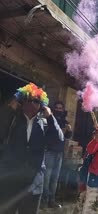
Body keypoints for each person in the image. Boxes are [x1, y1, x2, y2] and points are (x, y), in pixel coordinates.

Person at [0, 83, 64, 214]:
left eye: (36, 101)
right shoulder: (13, 118)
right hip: (11, 181)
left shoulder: (45, 122)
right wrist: (9, 110)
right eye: (28, 100)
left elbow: (58, 141)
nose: (31, 103)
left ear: (41, 104)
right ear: (21, 102)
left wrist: (51, 117)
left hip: (33, 185)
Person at [42, 101, 72, 208]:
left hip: (59, 153)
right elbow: (49, 134)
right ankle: (44, 201)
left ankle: (52, 201)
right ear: (53, 109)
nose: (59, 110)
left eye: (60, 108)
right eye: (57, 108)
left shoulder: (65, 121)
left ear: (63, 110)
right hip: (50, 152)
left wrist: (69, 130)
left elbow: (67, 136)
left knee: (55, 179)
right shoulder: (49, 119)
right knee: (46, 177)